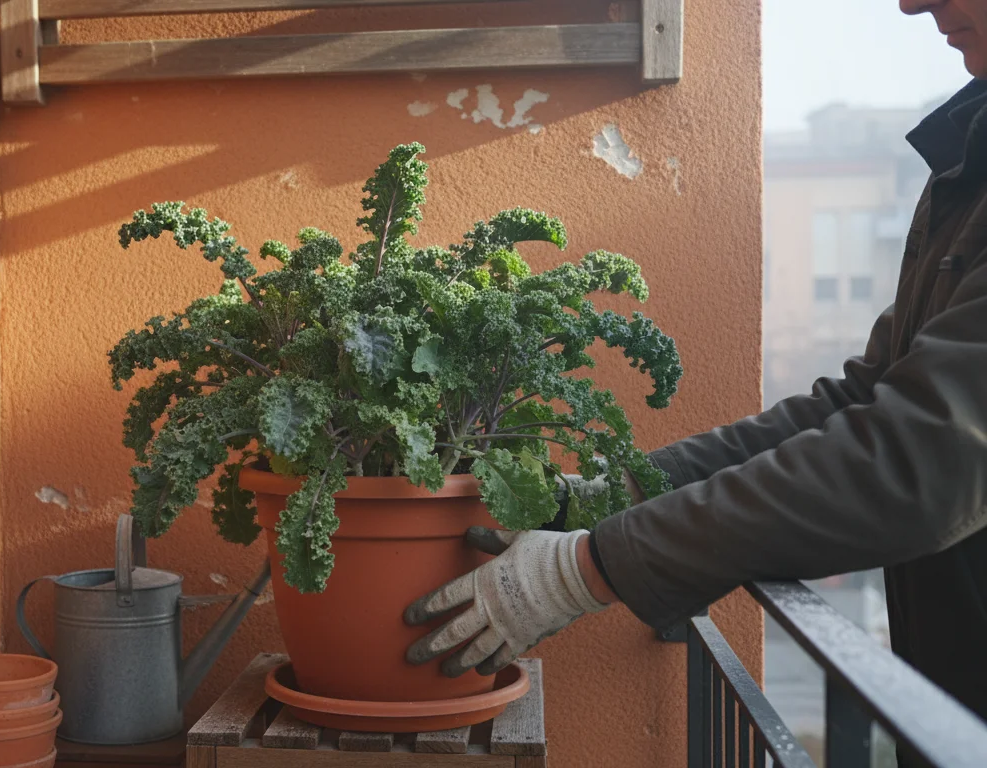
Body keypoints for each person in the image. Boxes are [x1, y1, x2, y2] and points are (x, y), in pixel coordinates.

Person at [405, 0, 987, 728]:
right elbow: (861, 401)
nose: (910, 2)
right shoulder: (968, 161)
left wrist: (587, 567)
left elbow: (921, 456)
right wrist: (612, 499)